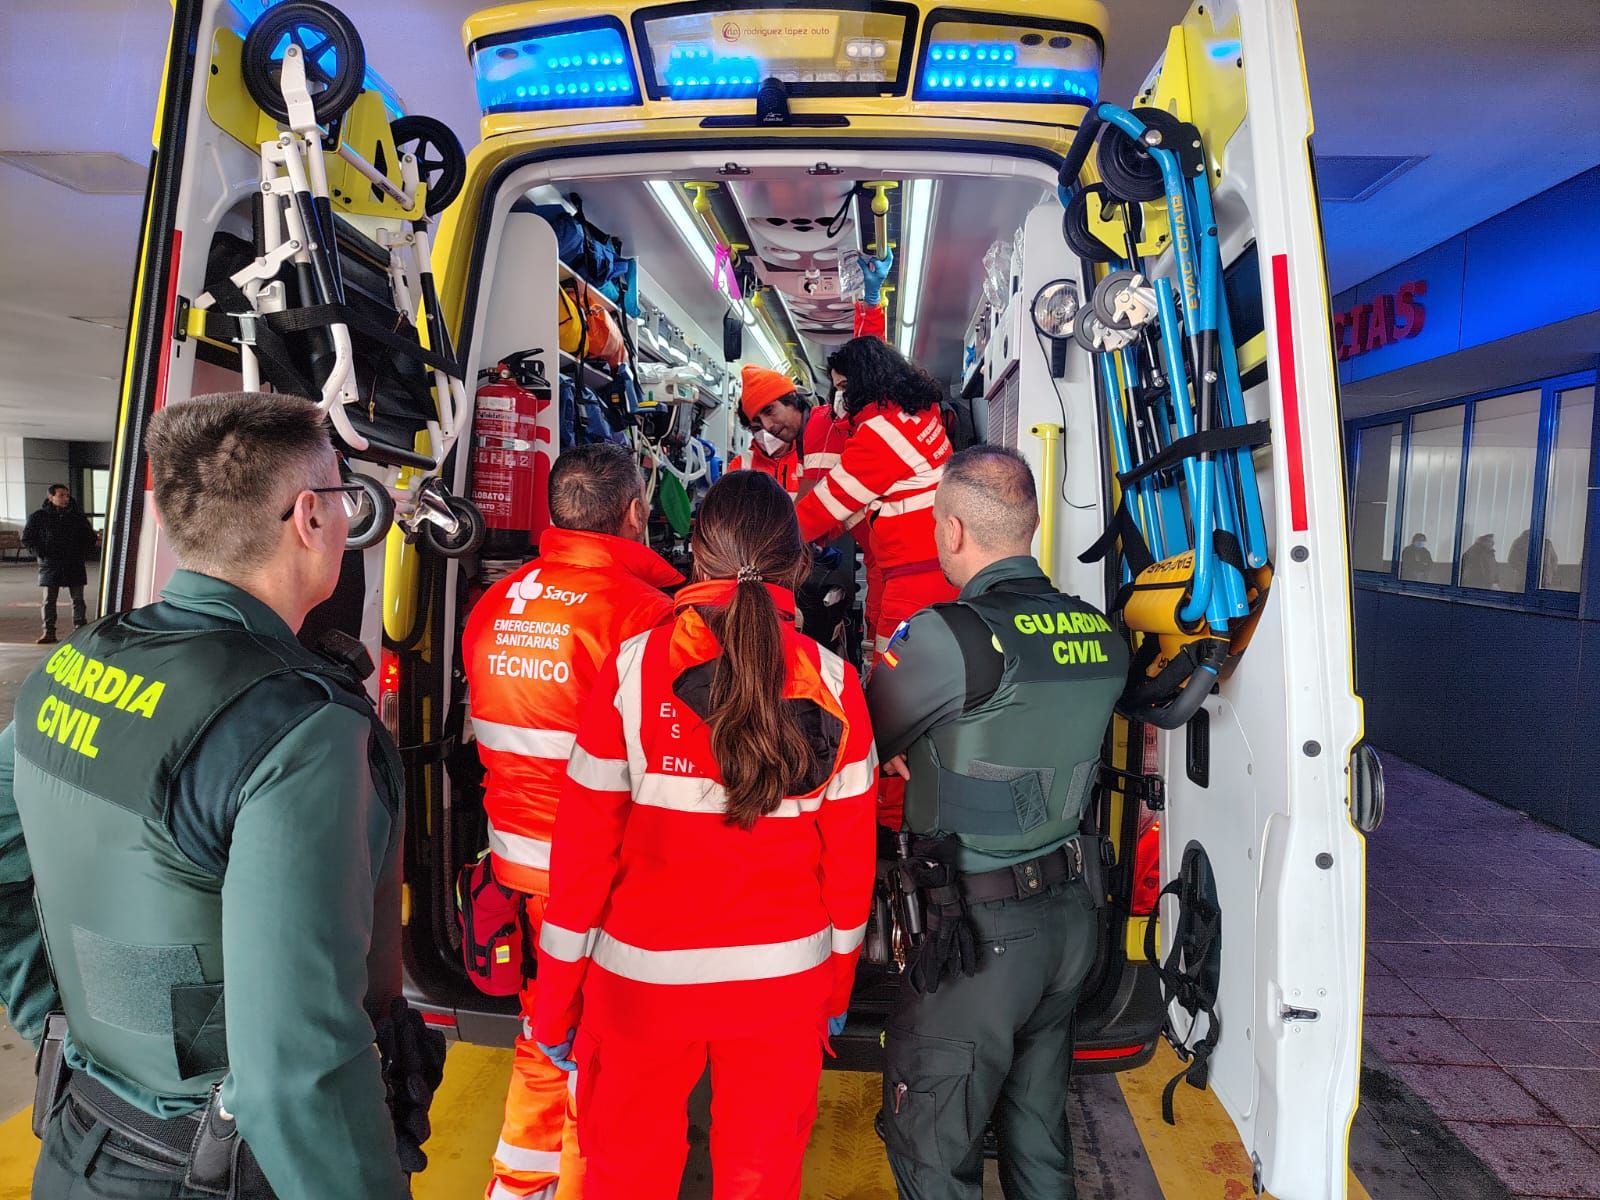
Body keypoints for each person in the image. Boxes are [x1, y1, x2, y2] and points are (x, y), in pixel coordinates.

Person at [0, 393, 433, 1198]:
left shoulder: (73, 665)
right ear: (309, 517)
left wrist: (56, 1020)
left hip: (76, 1143)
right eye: (342, 498)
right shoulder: (299, 729)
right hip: (216, 1173)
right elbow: (298, 1068)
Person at [532, 471, 878, 1200]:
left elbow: (581, 859)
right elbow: (849, 872)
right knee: (760, 1178)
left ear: (695, 555)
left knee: (626, 1175)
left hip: (641, 990)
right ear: (799, 566)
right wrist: (835, 986)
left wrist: (556, 1002)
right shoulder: (840, 687)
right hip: (783, 991)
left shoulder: (634, 671)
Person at [865, 446, 1128, 1200]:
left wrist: (907, 750)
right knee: (1037, 1135)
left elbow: (852, 737)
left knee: (933, 1143)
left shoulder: (945, 637)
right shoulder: (1096, 633)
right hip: (1070, 925)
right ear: (1033, 525)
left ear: (951, 532)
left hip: (978, 936)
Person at [463, 442, 681, 1200]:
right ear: (633, 515)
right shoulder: (644, 616)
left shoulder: (497, 604)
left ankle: (519, 1186)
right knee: (605, 1056)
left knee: (545, 1031)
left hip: (518, 870)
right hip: (602, 879)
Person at [794, 335, 957, 670]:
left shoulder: (880, 436)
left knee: (892, 676)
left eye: (843, 387)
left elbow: (818, 510)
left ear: (864, 381)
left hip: (914, 576)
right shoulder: (921, 412)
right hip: (937, 565)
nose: (839, 398)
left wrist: (761, 537)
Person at [22, 484, 97, 644]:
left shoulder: (77, 517)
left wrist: (81, 552)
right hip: (50, 564)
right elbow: (27, 538)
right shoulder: (39, 517)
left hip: (73, 563)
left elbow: (90, 538)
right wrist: (41, 552)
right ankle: (48, 632)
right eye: (61, 495)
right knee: (49, 600)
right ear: (51, 497)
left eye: (67, 496)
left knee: (78, 599)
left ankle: (80, 630)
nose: (65, 499)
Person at [728, 364, 808, 496]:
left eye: (769, 411)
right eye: (756, 427)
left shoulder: (808, 458)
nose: (767, 427)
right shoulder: (741, 465)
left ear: (791, 400)